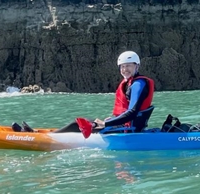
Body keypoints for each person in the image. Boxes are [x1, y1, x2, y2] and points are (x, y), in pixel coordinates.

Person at [14, 51, 155, 134]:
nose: (125, 70)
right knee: (88, 120)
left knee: (78, 124)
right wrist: (109, 121)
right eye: (122, 67)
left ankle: (38, 136)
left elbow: (132, 113)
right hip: (126, 127)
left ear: (137, 66)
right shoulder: (131, 83)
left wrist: (106, 124)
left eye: (128, 66)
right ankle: (43, 134)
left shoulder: (138, 84)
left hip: (130, 131)